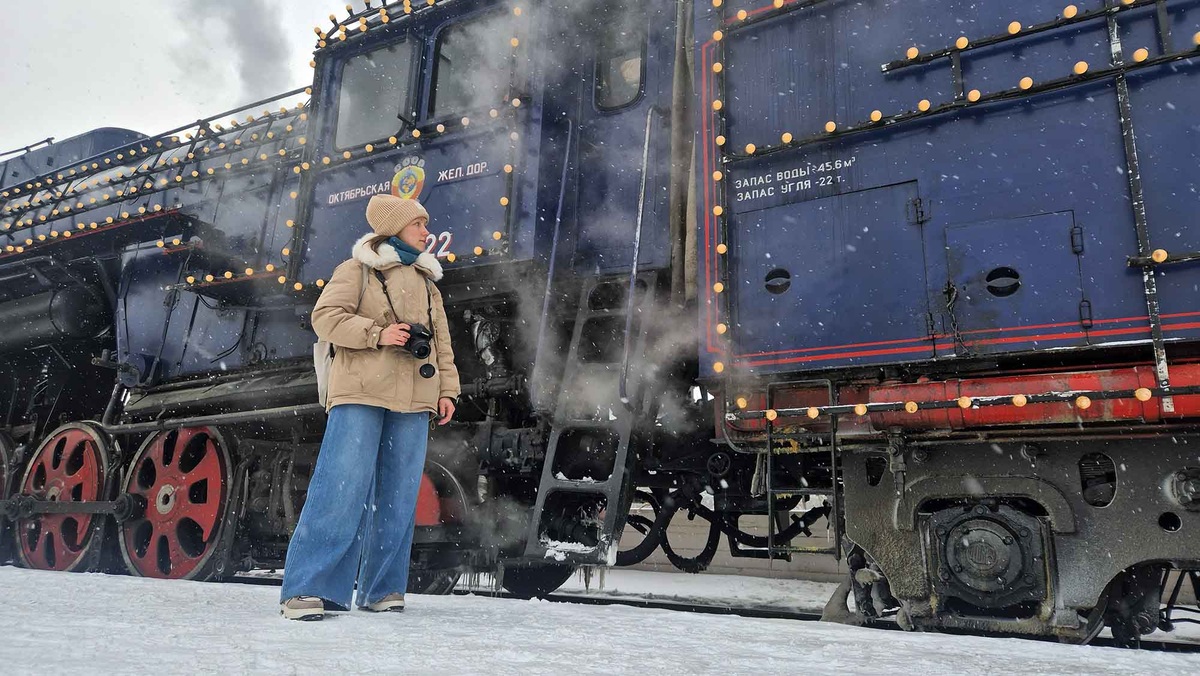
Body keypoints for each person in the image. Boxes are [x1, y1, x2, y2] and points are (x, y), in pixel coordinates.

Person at [279, 194, 460, 621]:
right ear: (394, 229)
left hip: (415, 397)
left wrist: (447, 391)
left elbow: (442, 345)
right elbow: (325, 317)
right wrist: (377, 334)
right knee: (341, 487)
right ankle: (306, 588)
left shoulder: (428, 284)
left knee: (399, 496)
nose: (426, 231)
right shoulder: (357, 270)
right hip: (360, 393)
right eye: (418, 224)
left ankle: (383, 589)